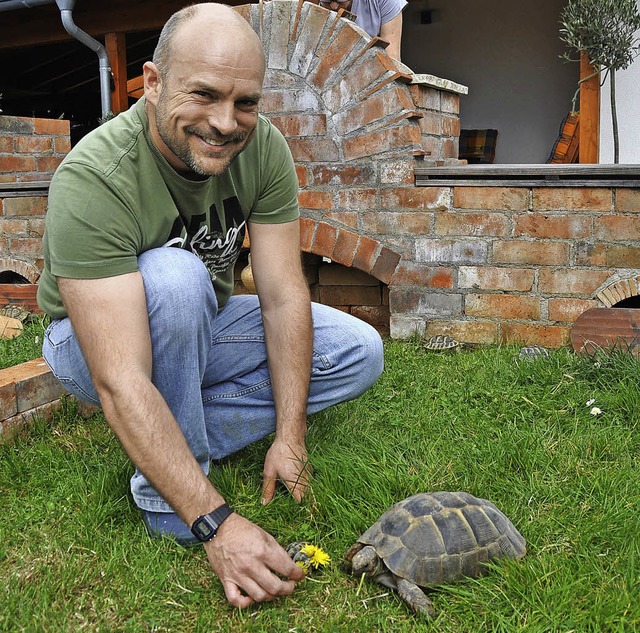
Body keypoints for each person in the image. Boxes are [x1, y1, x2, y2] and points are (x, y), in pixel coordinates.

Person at [37, 2, 383, 610]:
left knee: (358, 351)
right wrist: (217, 523)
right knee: (173, 276)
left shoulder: (264, 150)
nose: (226, 122)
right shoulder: (95, 176)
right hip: (91, 344)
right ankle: (172, 493)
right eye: (203, 95)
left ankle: (165, 438)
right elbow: (118, 377)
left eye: (245, 102)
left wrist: (291, 436)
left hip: (205, 320)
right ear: (153, 84)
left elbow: (279, 295)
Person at [318, 0, 407, 61]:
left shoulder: (386, 2)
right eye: (326, 1)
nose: (334, 6)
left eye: (340, 0)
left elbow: (392, 60)